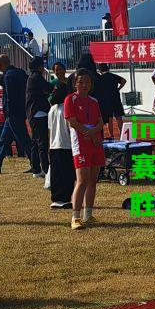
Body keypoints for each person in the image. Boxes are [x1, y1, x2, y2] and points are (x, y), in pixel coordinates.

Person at [66, 65, 104, 228]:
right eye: (81, 82)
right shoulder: (71, 99)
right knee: (81, 180)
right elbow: (72, 122)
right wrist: (88, 133)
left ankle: (88, 214)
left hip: (95, 143)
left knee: (93, 180)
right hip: (80, 144)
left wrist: (95, 132)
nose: (84, 85)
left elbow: (101, 121)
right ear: (75, 83)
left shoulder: (94, 101)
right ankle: (75, 217)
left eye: (87, 82)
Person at [0, 52, 28, 174]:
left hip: (12, 113)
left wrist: (6, 110)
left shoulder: (8, 76)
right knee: (4, 140)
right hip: (18, 111)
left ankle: (36, 163)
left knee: (23, 139)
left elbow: (9, 96)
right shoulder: (21, 73)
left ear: (0, 64)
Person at [46, 80, 75, 209]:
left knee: (56, 174)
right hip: (66, 145)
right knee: (67, 173)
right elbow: (70, 127)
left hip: (54, 145)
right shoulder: (67, 108)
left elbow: (49, 130)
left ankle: (56, 198)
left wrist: (49, 146)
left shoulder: (52, 109)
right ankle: (65, 197)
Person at [25, 63, 51, 177]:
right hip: (39, 113)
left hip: (32, 113)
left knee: (35, 142)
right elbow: (48, 88)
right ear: (39, 67)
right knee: (42, 143)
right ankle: (46, 169)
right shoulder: (37, 77)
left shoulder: (31, 77)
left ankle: (36, 169)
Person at [94, 59, 125, 141]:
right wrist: (118, 88)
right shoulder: (114, 76)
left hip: (107, 100)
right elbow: (124, 81)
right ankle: (123, 134)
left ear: (100, 70)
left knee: (109, 119)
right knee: (119, 117)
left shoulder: (100, 78)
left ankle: (111, 135)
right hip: (116, 98)